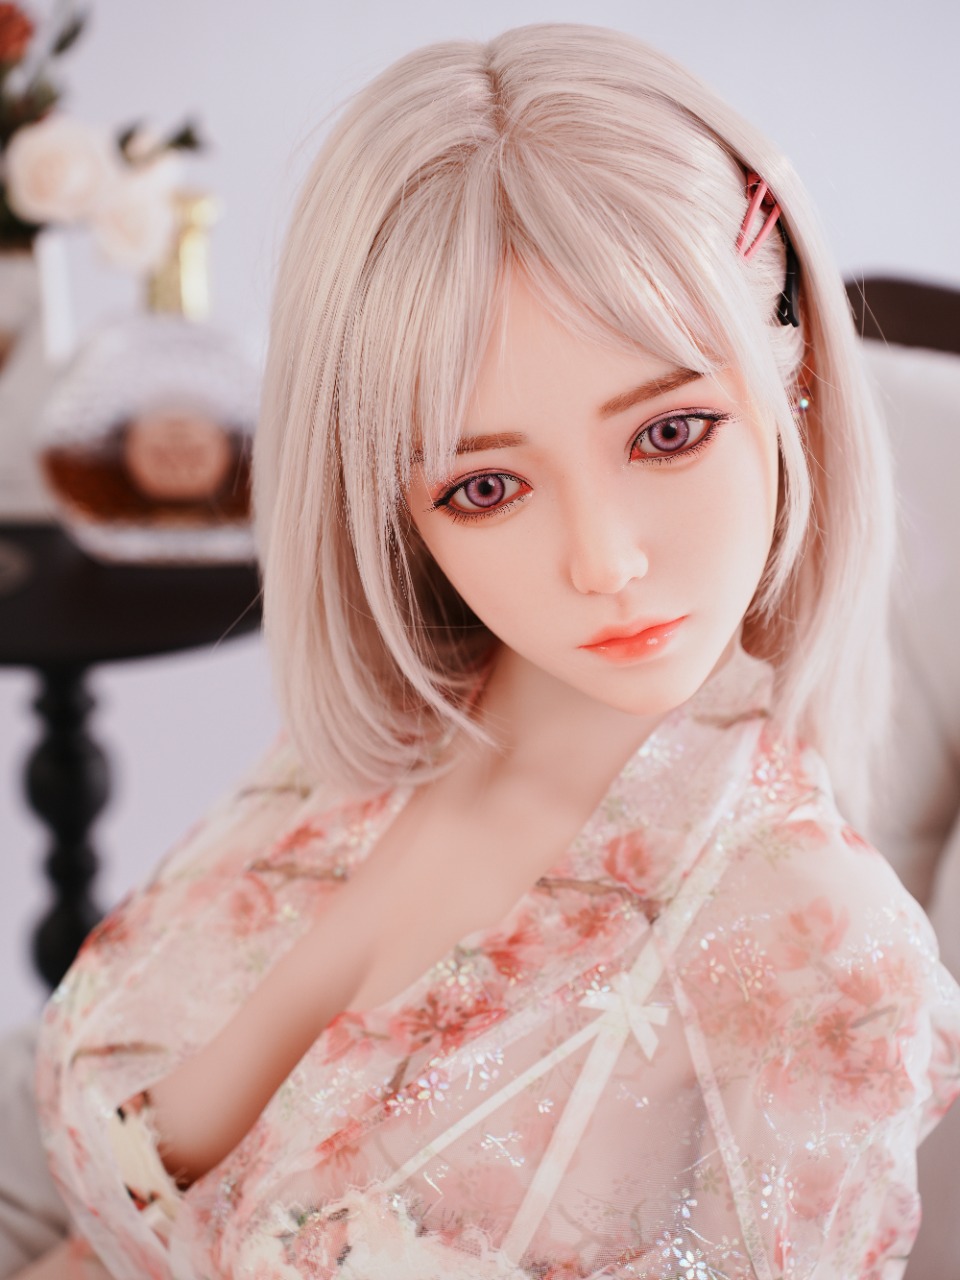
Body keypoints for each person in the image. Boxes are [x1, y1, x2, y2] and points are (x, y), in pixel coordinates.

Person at [15, 22, 960, 1279]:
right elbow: (128, 1208)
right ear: (393, 510)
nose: (603, 560)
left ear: (790, 374)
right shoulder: (381, 740)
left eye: (670, 431)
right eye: (485, 486)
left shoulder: (815, 951)